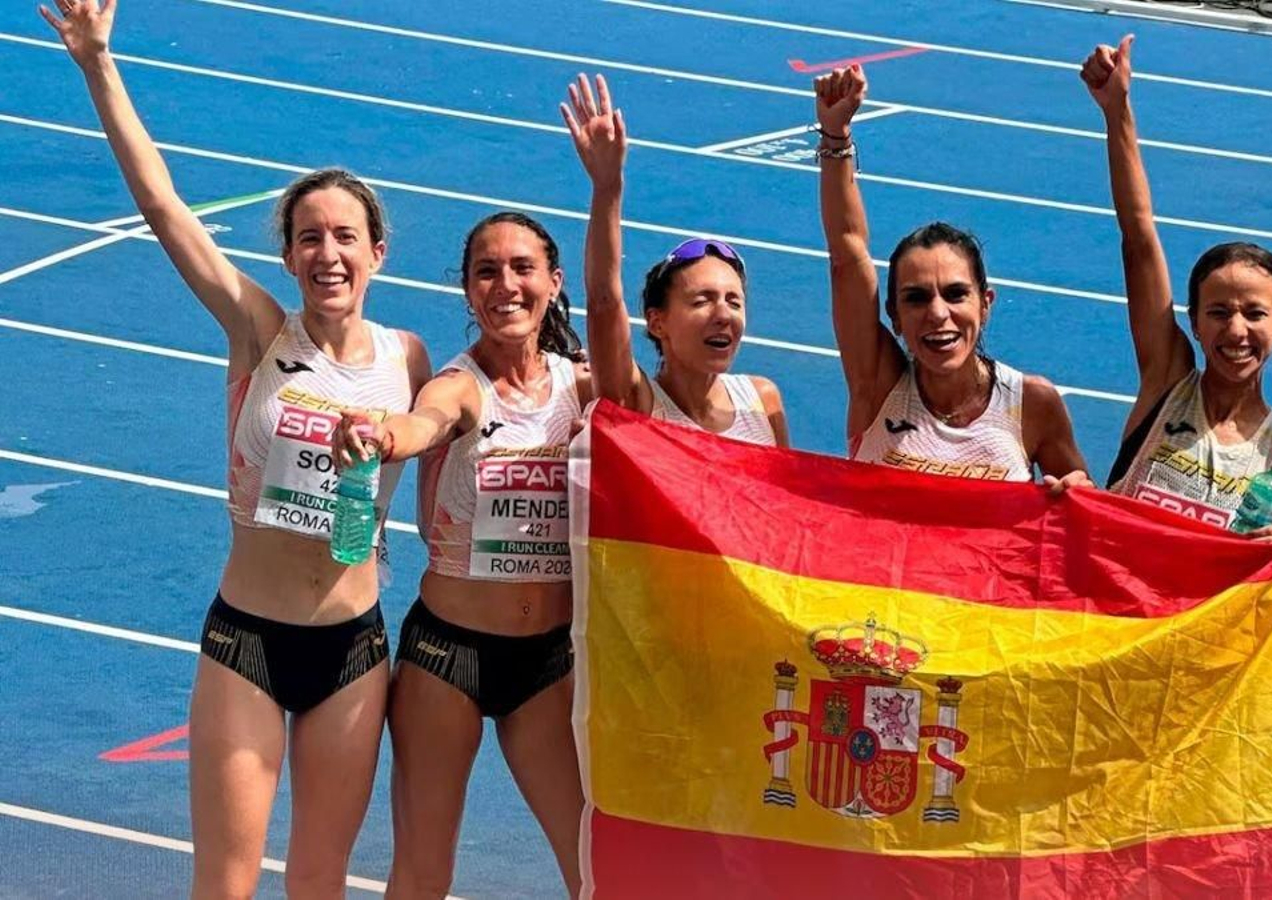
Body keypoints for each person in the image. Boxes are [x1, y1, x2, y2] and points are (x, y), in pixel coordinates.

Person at [41, 1, 429, 895]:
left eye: (344, 237)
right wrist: (98, 63)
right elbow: (161, 205)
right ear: (289, 258)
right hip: (246, 644)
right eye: (308, 239)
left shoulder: (408, 359)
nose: (327, 254)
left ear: (378, 251)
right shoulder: (257, 330)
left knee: (320, 883)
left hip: (354, 654)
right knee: (224, 885)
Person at [332, 213, 589, 897]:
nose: (505, 284)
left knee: (595, 864)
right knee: (423, 873)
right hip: (448, 662)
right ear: (468, 293)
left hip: (546, 664)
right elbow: (425, 422)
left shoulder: (582, 391)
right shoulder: (458, 386)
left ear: (553, 283)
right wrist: (383, 437)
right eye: (486, 271)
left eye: (521, 267)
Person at [1080, 36, 1272, 532]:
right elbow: (1139, 236)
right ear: (1192, 321)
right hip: (1115, 609)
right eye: (1218, 312)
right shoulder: (1167, 382)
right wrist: (1117, 111)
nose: (1236, 330)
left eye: (1254, 313)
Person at [815, 65, 1087, 482]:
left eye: (956, 294)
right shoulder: (878, 386)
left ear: (986, 304)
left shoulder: (1031, 404)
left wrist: (1074, 491)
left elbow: (1088, 514)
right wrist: (836, 135)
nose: (938, 313)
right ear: (894, 316)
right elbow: (847, 256)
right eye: (917, 297)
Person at [563, 74, 787, 447]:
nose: (723, 314)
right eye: (702, 300)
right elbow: (603, 299)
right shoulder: (636, 404)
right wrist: (608, 187)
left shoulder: (762, 401)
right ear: (657, 321)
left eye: (734, 301)